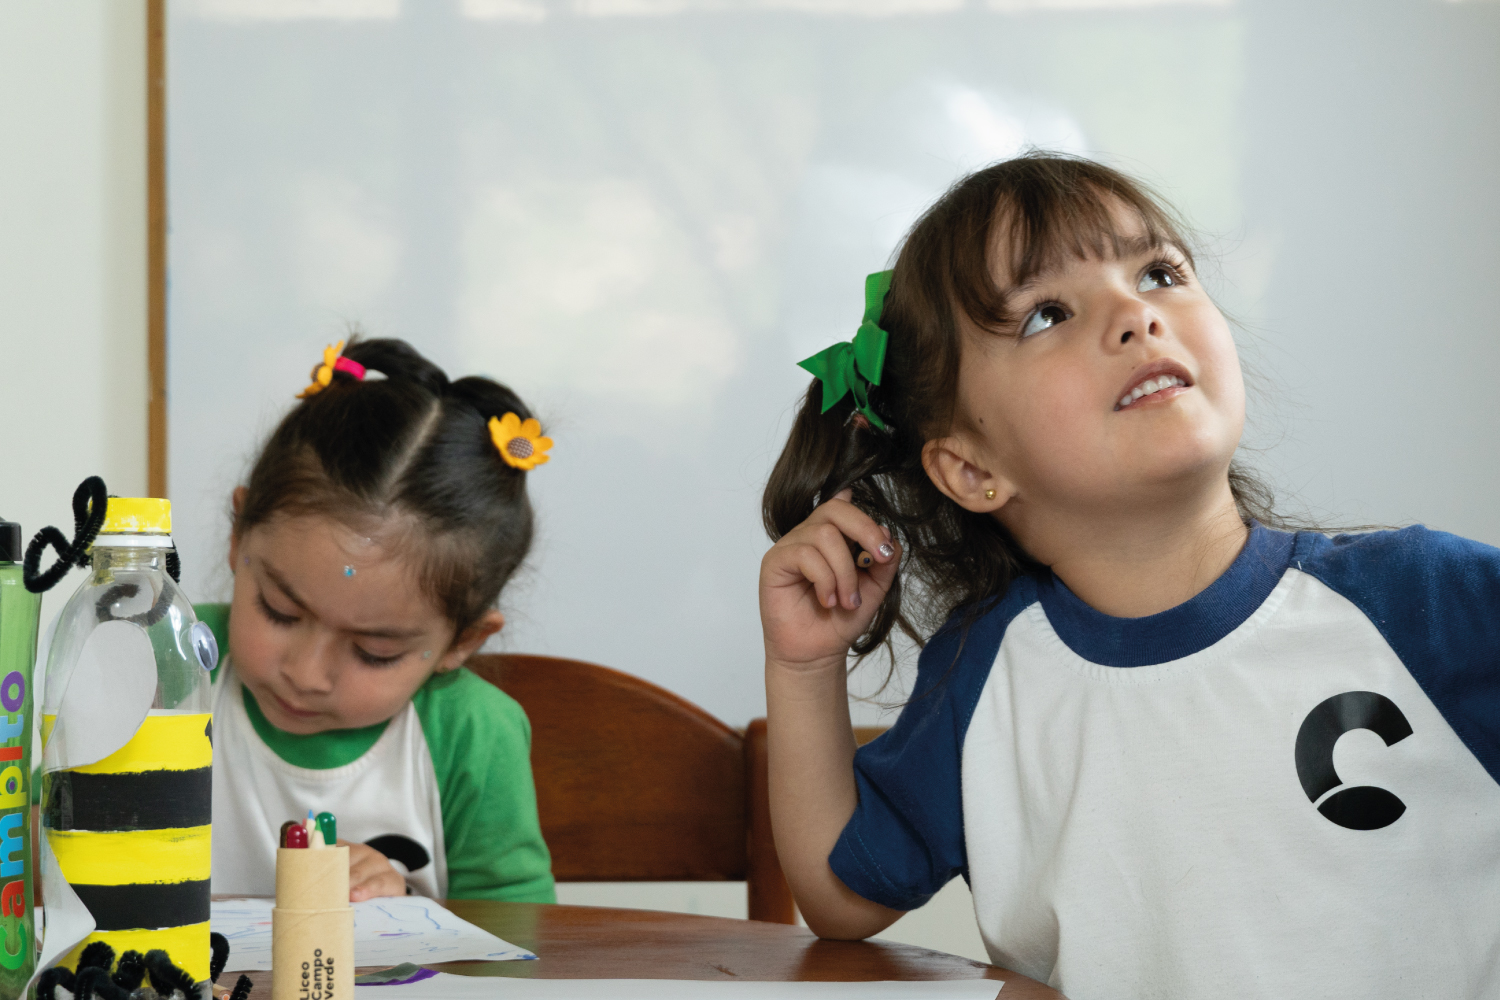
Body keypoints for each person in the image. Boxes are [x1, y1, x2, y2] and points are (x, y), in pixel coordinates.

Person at [758, 153, 1500, 998]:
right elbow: (839, 895)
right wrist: (805, 666)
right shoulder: (986, 674)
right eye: (1046, 315)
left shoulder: (1432, 599)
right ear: (968, 468)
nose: (1135, 314)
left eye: (1159, 272)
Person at [202, 336, 556, 903]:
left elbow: (516, 935)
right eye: (280, 611)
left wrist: (410, 913)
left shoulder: (471, 733)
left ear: (461, 642)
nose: (307, 673)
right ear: (238, 534)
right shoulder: (165, 662)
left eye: (374, 652)